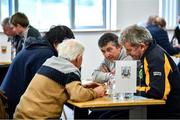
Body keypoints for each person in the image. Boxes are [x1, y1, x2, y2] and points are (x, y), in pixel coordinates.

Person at [13, 39, 106, 119]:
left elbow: (59, 87)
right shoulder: (69, 70)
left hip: (21, 114)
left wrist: (83, 87)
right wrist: (96, 92)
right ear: (79, 58)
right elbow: (79, 96)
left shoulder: (50, 62)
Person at [0, 25, 75, 118]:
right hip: (14, 110)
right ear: (56, 43)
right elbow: (50, 89)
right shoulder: (45, 54)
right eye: (67, 46)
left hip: (9, 104)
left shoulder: (36, 48)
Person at [119, 24, 180, 118]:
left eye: (129, 50)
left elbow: (156, 92)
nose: (127, 53)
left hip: (167, 112)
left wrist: (130, 90)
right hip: (154, 108)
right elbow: (143, 83)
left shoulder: (155, 58)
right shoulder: (147, 55)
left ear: (142, 46)